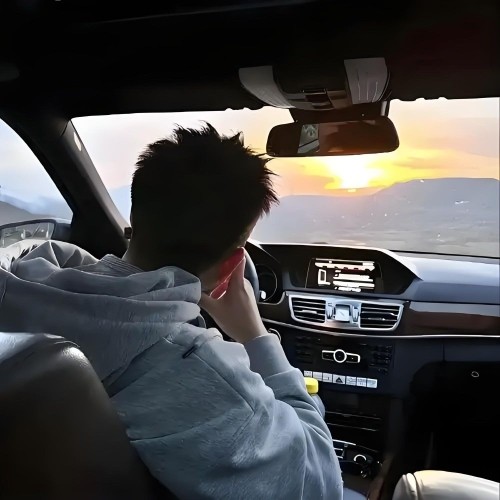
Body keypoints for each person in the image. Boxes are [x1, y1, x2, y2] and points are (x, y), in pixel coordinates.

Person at [0, 124, 356, 499]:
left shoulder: (22, 282)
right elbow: (320, 483)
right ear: (231, 266)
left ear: (135, 216)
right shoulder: (199, 371)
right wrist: (256, 336)